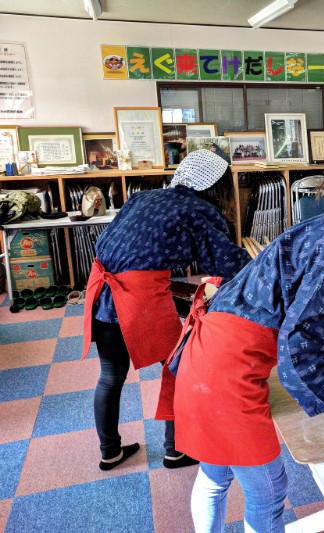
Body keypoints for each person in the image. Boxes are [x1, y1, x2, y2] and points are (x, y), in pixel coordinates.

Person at [155, 151, 324, 532]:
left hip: (208, 349)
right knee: (268, 489)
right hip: (226, 367)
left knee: (216, 471)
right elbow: (298, 352)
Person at [81, 149, 250, 471]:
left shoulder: (143, 198)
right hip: (138, 298)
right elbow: (226, 264)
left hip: (102, 292)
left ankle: (110, 451)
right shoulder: (198, 210)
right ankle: (176, 449)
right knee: (180, 369)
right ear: (217, 185)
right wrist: (263, 269)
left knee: (109, 377)